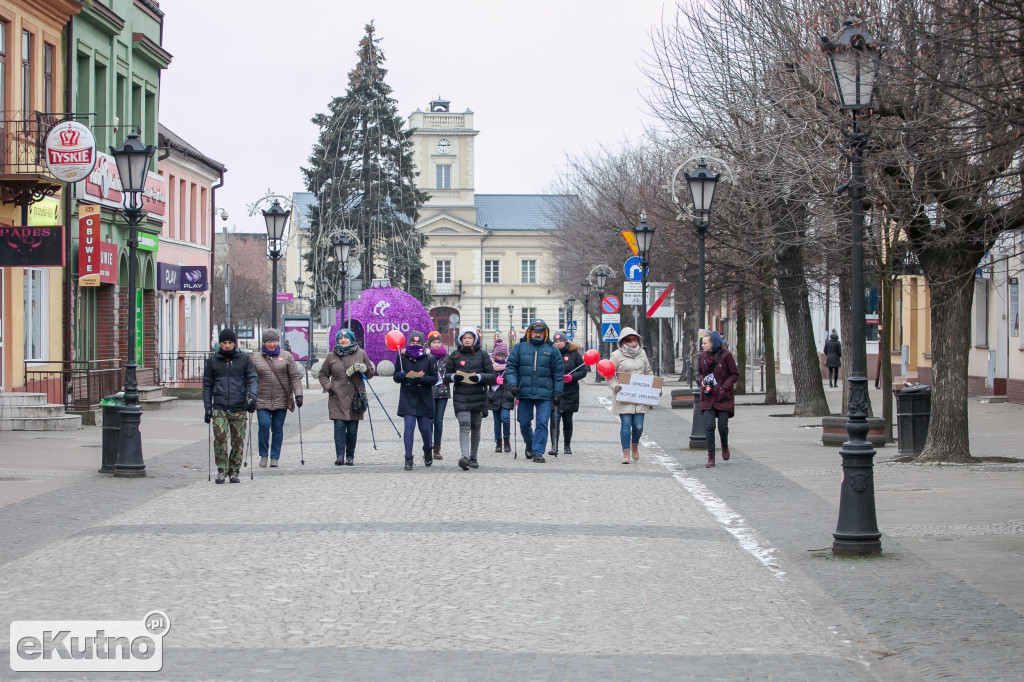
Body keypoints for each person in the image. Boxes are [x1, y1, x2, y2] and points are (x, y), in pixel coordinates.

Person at [505, 318, 565, 464]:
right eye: (535, 332)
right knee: (524, 422)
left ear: (545, 333)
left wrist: (557, 392)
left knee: (542, 423)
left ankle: (538, 452)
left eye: (540, 332)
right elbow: (511, 367)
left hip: (544, 393)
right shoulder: (519, 347)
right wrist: (513, 384)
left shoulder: (552, 350)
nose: (537, 334)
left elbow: (558, 374)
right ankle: (530, 444)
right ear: (529, 332)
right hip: (524, 391)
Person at [203, 328, 258, 483]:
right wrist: (208, 407)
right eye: (224, 342)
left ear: (234, 343)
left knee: (237, 441)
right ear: (220, 343)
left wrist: (252, 398)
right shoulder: (213, 361)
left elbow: (252, 379)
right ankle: (221, 470)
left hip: (239, 406)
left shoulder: (244, 360)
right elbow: (207, 385)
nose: (227, 345)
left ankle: (234, 471)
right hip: (219, 405)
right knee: (220, 438)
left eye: (230, 342)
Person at [318, 328, 375, 466]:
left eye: (346, 338)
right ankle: (339, 455)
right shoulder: (332, 356)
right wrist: (329, 386)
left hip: (355, 397)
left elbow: (371, 372)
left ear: (351, 339)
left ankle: (350, 456)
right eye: (340, 339)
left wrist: (364, 369)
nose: (343, 340)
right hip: (337, 397)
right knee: (339, 427)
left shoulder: (360, 353)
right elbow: (322, 374)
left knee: (352, 429)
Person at [445, 327, 496, 470]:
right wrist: (454, 376)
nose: (467, 340)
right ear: (460, 340)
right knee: (464, 424)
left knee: (476, 426)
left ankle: (474, 456)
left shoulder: (483, 355)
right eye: (464, 338)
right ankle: (465, 457)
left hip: (478, 396)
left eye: (470, 338)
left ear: (475, 339)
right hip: (461, 396)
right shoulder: (455, 355)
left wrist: (479, 377)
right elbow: (446, 376)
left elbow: (492, 376)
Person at [252, 328, 303, 468]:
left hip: (281, 398)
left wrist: (298, 394)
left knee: (277, 428)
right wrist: (249, 397)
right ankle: (263, 455)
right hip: (262, 399)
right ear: (264, 342)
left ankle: (275, 456)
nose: (272, 344)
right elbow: (250, 379)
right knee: (263, 426)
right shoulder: (256, 358)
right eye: (269, 341)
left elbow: (294, 377)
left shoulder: (286, 356)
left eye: (274, 341)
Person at [608, 327, 653, 464]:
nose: (633, 344)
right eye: (629, 341)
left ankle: (635, 445)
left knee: (638, 426)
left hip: (640, 396)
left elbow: (648, 372)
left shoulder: (642, 353)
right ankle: (626, 452)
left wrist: (654, 388)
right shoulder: (616, 355)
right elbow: (609, 375)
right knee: (626, 424)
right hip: (624, 395)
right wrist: (615, 386)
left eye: (635, 341)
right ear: (623, 342)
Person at [394, 330, 439, 470]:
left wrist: (424, 379)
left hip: (423, 397)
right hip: (408, 396)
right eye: (412, 343)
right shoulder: (402, 357)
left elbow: (435, 379)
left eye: (417, 343)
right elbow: (395, 377)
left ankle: (427, 450)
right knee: (409, 426)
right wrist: (400, 376)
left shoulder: (430, 358)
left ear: (422, 343)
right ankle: (408, 457)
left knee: (425, 428)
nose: (414, 345)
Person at [698, 330, 739, 468]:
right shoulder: (702, 357)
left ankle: (724, 445)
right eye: (702, 343)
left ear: (713, 343)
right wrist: (702, 381)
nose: (702, 346)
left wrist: (724, 387)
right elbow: (699, 373)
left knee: (722, 427)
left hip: (723, 396)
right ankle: (711, 456)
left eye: (705, 343)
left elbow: (734, 374)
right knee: (709, 426)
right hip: (708, 396)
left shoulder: (726, 356)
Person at [549, 332, 588, 456]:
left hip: (570, 391)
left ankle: (567, 444)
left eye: (561, 341)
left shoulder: (574, 354)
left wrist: (571, 377)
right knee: (554, 418)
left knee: (567, 419)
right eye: (556, 342)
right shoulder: (549, 354)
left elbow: (583, 370)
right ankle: (554, 445)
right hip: (554, 391)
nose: (558, 343)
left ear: (565, 342)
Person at [488, 340, 514, 453]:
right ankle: (498, 442)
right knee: (497, 421)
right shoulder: (491, 366)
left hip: (507, 397)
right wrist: (494, 379)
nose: (500, 356)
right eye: (498, 354)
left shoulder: (509, 367)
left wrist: (515, 395)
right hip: (494, 397)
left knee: (506, 418)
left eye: (502, 354)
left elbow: (513, 381)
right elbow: (487, 379)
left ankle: (507, 440)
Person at [427, 331, 449, 460]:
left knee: (439, 421)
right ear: (429, 343)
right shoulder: (426, 356)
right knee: (430, 420)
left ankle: (437, 448)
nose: (436, 345)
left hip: (443, 391)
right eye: (434, 342)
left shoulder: (446, 357)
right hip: (429, 392)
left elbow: (451, 370)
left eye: (438, 342)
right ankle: (428, 447)